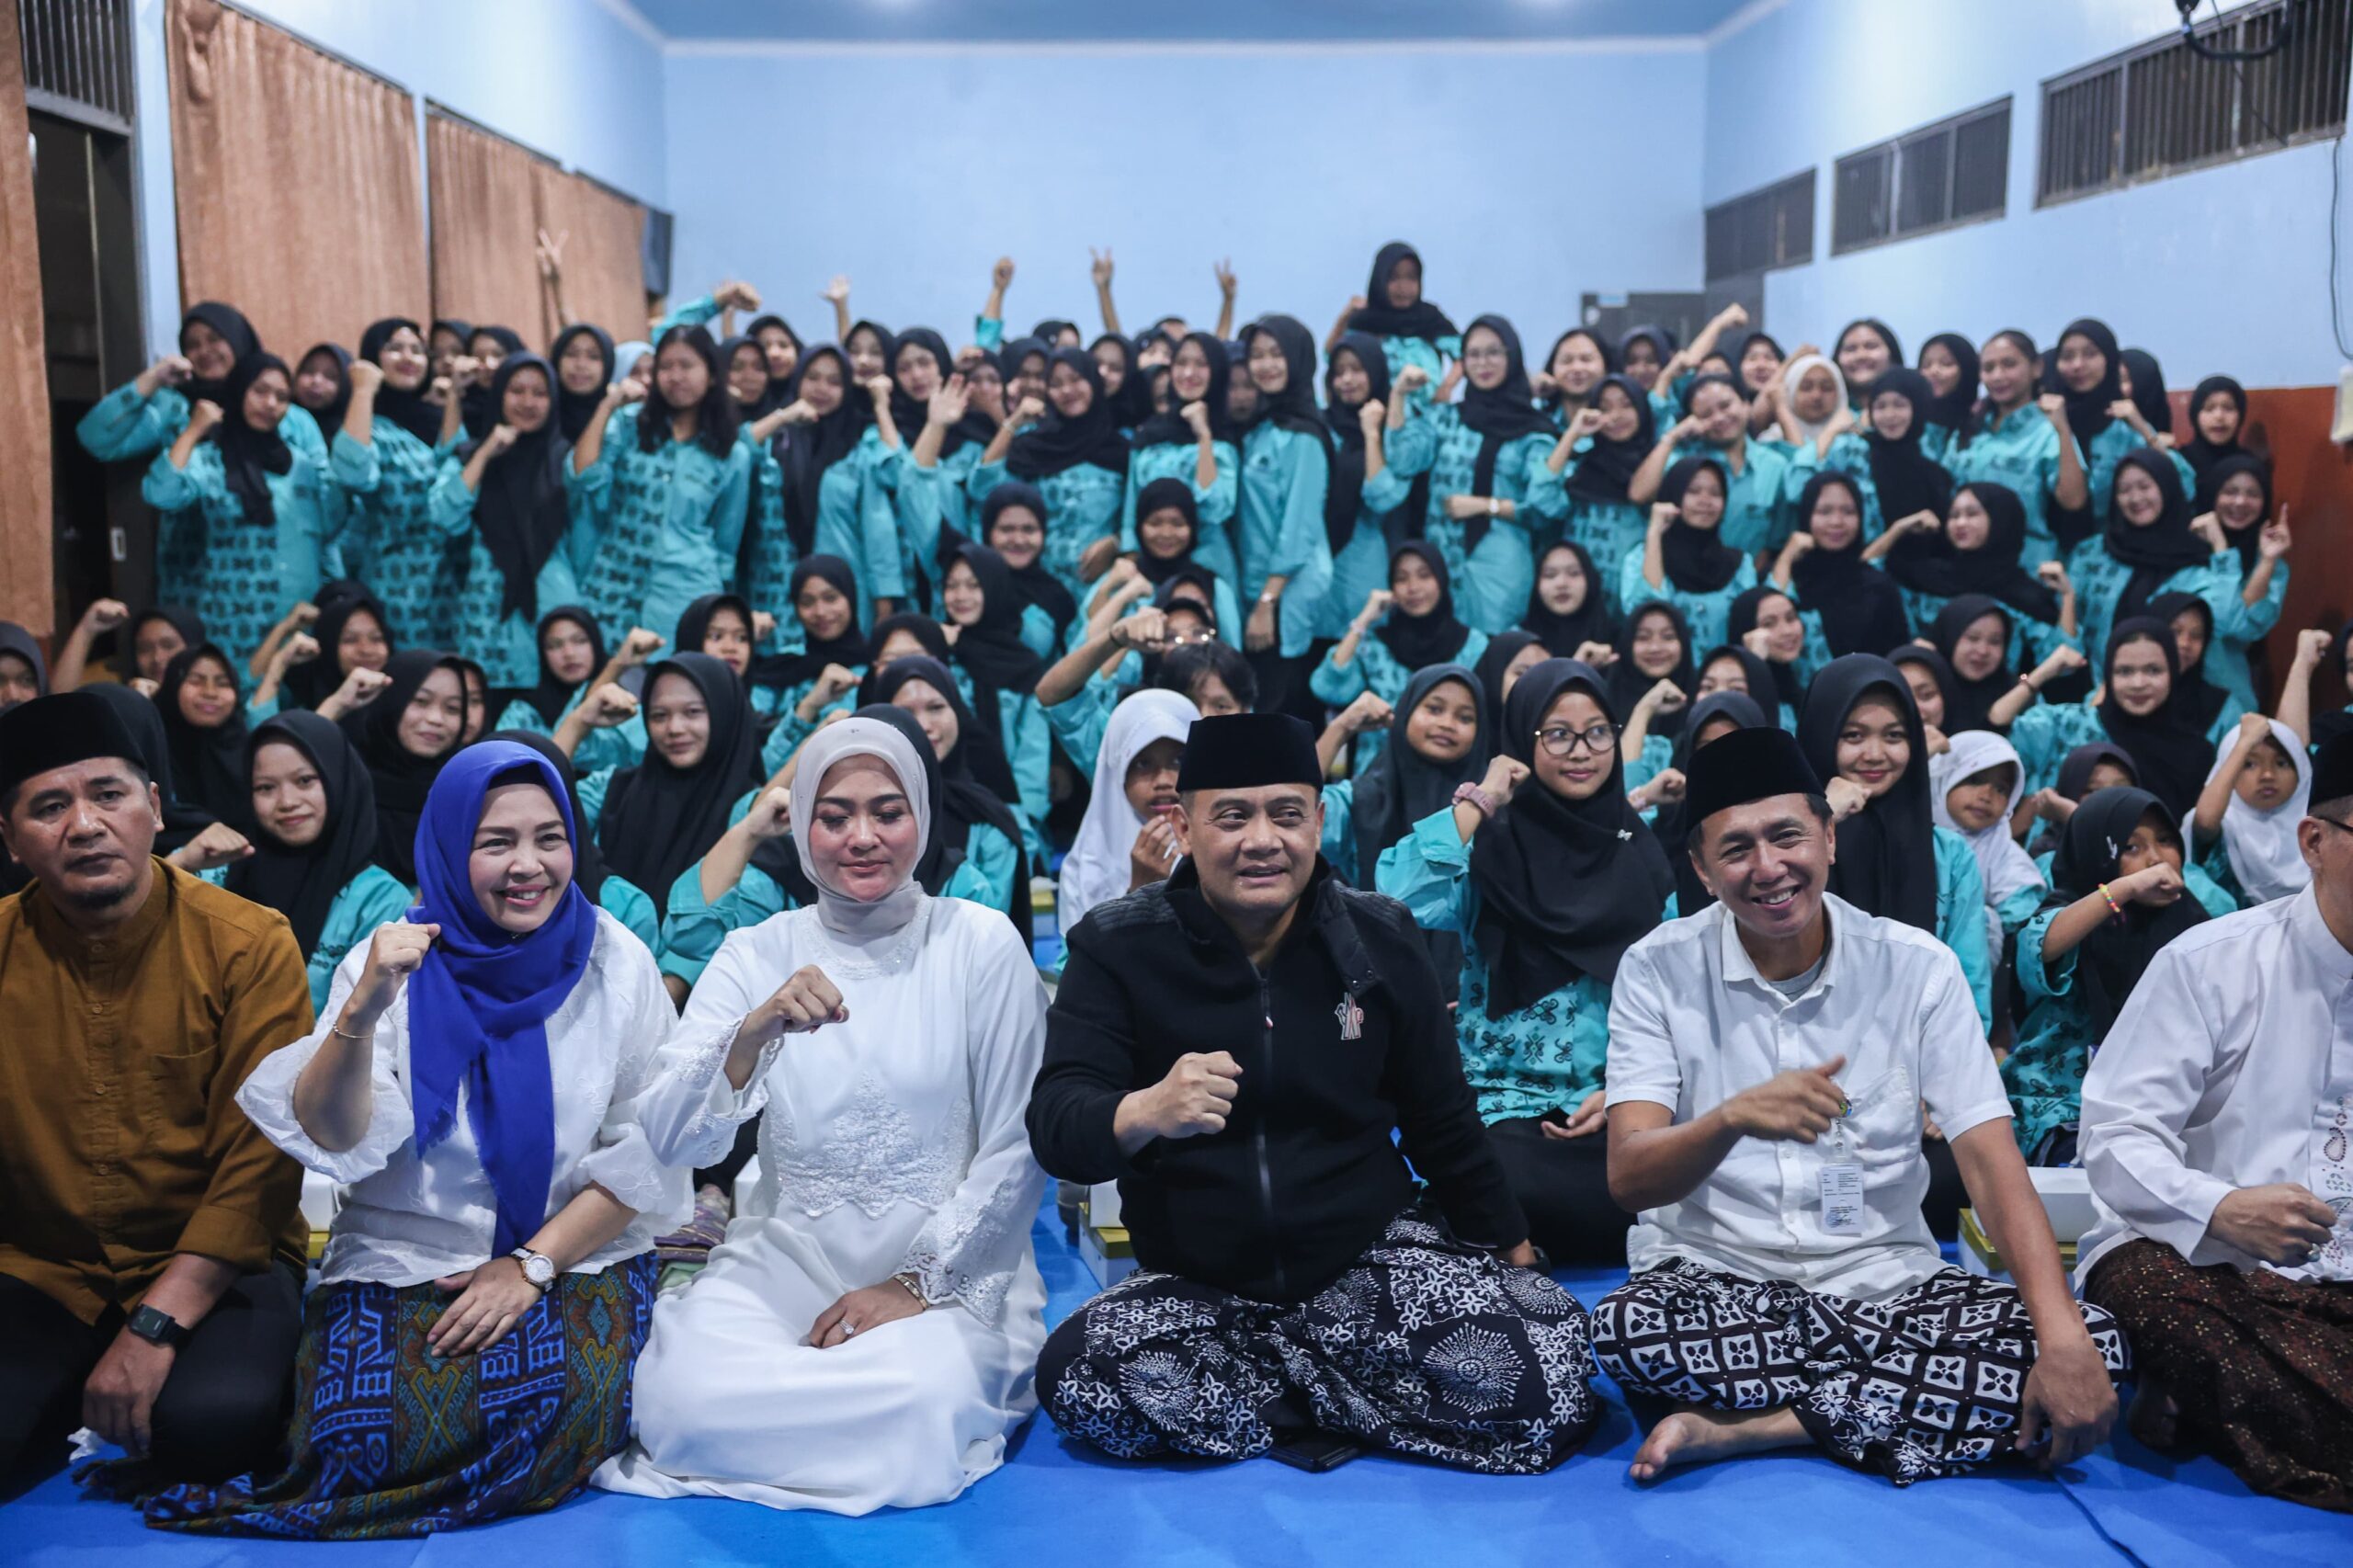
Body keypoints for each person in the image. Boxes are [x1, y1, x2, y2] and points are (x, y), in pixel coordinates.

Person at [128, 740, 686, 1536]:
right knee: (353, 1435)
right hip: (406, 1251)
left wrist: (529, 1268)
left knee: (561, 1401)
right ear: (449, 849)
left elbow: (644, 1150)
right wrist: (363, 1009)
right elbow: (334, 1135)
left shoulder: (615, 962)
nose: (528, 866)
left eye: (549, 838)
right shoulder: (389, 958)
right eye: (496, 843)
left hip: (567, 1252)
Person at [1030, 712, 1598, 1473]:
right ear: (1185, 827)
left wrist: (1513, 1254)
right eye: (1232, 817)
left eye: (1287, 814)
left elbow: (1443, 1121)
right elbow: (1058, 1124)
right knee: (1078, 1377)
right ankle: (1350, 1393)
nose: (1262, 839)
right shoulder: (1116, 944)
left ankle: (1287, 1395)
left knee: (1552, 1377)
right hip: (1200, 1289)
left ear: (1320, 822)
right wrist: (1144, 1110)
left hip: (1366, 1267)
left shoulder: (1380, 935)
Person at [1588, 724, 2127, 1484]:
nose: (1768, 868)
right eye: (1736, 849)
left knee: (2097, 1341)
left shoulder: (1917, 967)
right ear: (1702, 871)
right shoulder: (1657, 968)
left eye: (1787, 837)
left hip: (1884, 1282)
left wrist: (2062, 1338)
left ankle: (1758, 1427)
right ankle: (1894, 1401)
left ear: (1830, 838)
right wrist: (1730, 1120)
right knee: (1628, 1329)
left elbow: (1989, 1161)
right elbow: (1629, 1177)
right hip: (1716, 1280)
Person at [597, 716, 1050, 1514]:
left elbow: (1018, 1143)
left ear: (922, 816)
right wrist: (751, 1035)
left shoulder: (978, 943)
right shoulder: (756, 951)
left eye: (887, 812)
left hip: (949, 1268)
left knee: (916, 1406)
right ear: (803, 824)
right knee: (678, 1400)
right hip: (788, 1254)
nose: (862, 838)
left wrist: (912, 1286)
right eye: (834, 816)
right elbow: (668, 1133)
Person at [0, 692, 309, 1494]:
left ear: (155, 808)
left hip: (216, 1263)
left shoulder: (249, 944)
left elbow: (261, 1164)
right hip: (43, 1267)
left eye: (108, 794)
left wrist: (153, 1326)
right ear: (10, 839)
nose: (85, 825)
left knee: (215, 1426)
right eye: (49, 807)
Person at [2074, 730, 2353, 1510]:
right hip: (2221, 1275)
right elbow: (2116, 1139)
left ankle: (2222, 1406)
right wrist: (2221, 1207)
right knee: (2148, 1290)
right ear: (2314, 842)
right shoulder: (2212, 962)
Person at [1377, 659, 1674, 1264]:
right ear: (1522, 740)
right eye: (1557, 734)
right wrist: (1481, 798)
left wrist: (1624, 1091)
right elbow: (1397, 896)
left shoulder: (1639, 856)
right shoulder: (1489, 847)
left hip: (1615, 1101)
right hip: (1504, 1102)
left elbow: (1673, 999)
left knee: (1669, 1179)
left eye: (1598, 732)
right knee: (1501, 1184)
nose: (1580, 752)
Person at [2006, 786, 2232, 1165]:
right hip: (2066, 1103)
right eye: (2131, 847)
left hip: (2170, 1100)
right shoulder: (2069, 915)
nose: (2155, 859)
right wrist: (2123, 889)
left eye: (2165, 841)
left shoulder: (2197, 918)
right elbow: (2039, 948)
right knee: (2110, 1165)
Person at [1798, 655, 1994, 1031]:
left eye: (1894, 736)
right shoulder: (1781, 848)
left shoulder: (1949, 857)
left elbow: (1969, 992)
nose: (1875, 755)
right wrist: (1821, 819)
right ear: (1822, 735)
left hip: (1922, 1052)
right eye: (1853, 736)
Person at [137, 351, 332, 665]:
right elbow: (162, 494)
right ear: (239, 391)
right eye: (260, 391)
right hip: (229, 624)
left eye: (282, 397)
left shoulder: (300, 465)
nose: (270, 404)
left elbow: (322, 537)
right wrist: (193, 431)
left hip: (295, 620)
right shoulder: (210, 459)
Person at [572, 324, 754, 646]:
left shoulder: (731, 453)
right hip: (615, 585)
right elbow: (585, 474)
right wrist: (607, 406)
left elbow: (727, 539)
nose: (675, 376)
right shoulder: (630, 425)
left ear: (712, 375)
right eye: (666, 367)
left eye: (686, 366)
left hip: (685, 591)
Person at [222, 711, 410, 1013]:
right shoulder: (221, 874)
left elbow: (374, 1018)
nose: (287, 802)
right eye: (266, 787)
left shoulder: (380, 900)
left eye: (305, 781)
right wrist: (182, 861)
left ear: (339, 780)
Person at [428, 354, 587, 689]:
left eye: (540, 393)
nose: (528, 402)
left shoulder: (565, 459)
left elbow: (585, 539)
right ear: (499, 394)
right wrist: (485, 453)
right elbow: (444, 515)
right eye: (517, 391)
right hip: (488, 615)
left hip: (554, 613)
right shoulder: (470, 455)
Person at [337, 320, 466, 652]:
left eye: (418, 350)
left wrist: (454, 397)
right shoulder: (371, 426)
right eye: (394, 348)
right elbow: (353, 473)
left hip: (455, 590)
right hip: (397, 595)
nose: (408, 357)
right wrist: (364, 391)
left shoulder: (440, 417)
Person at [1311, 542, 1485, 773]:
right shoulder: (1375, 644)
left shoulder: (1474, 644)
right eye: (1401, 579)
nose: (1413, 587)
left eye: (1424, 575)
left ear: (1442, 580)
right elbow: (1329, 688)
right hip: (1377, 776)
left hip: (1450, 775)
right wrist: (1364, 619)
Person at [1055, 688, 1197, 939]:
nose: (1164, 781)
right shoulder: (1086, 867)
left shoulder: (1227, 849)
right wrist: (1140, 893)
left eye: (1178, 761)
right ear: (1118, 771)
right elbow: (1079, 960)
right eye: (1143, 764)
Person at [344, 651, 470, 887]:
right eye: (420, 701)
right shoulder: (348, 784)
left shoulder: (466, 791)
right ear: (391, 700)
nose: (436, 719)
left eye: (452, 708)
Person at [2194, 712, 2312, 906]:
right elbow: (2205, 823)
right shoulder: (2224, 821)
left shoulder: (2318, 823)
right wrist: (2244, 743)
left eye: (2281, 763)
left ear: (2301, 770)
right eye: (2249, 764)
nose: (2267, 775)